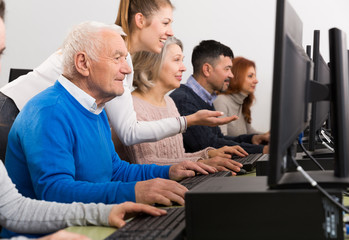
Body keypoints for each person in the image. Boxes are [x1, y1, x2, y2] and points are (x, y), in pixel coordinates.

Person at [3, 21, 215, 238]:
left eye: (126, 58)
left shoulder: (95, 108)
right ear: (83, 63)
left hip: (84, 225)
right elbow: (54, 192)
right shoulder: (49, 111)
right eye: (117, 58)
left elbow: (114, 171)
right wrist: (133, 192)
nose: (128, 68)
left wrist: (169, 172)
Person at [0, 0, 235, 161]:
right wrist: (187, 121)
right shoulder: (106, 44)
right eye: (165, 23)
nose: (170, 31)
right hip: (11, 111)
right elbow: (130, 132)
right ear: (140, 20)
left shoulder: (119, 57)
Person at [115, 37, 248, 174]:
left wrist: (208, 154)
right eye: (176, 60)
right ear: (153, 62)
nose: (184, 68)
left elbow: (176, 159)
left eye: (182, 61)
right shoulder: (134, 106)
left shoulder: (169, 102)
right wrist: (203, 161)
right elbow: (145, 163)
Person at [170, 40, 269, 154]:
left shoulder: (205, 99)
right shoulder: (184, 101)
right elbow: (208, 145)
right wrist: (261, 150)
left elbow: (220, 139)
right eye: (227, 69)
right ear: (207, 70)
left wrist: (252, 139)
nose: (231, 75)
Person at [213, 57, 269, 137]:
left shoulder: (242, 102)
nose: (256, 81)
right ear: (236, 77)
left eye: (255, 76)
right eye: (250, 76)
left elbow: (249, 132)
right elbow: (221, 139)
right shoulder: (221, 101)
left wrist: (270, 136)